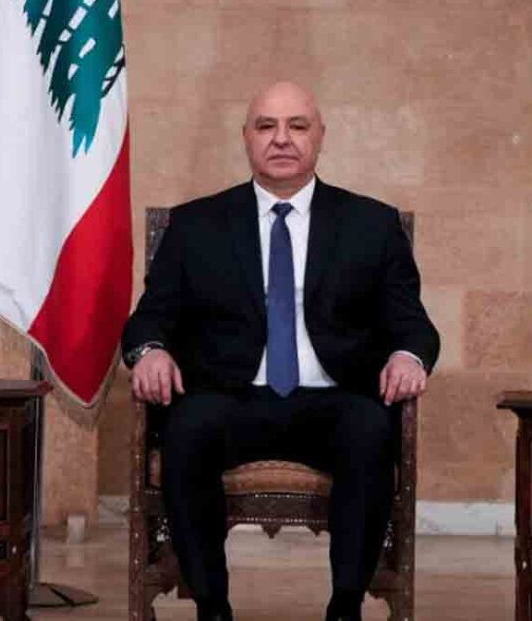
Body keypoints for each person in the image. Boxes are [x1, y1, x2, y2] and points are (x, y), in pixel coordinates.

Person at [121, 81, 439, 621]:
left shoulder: (372, 225)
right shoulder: (196, 224)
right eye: (266, 126)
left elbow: (413, 325)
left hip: (334, 399)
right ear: (246, 138)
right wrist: (150, 350)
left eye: (297, 125)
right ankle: (212, 606)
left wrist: (408, 357)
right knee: (187, 430)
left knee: (369, 431)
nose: (282, 139)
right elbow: (150, 318)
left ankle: (345, 605)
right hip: (229, 397)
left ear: (320, 137)